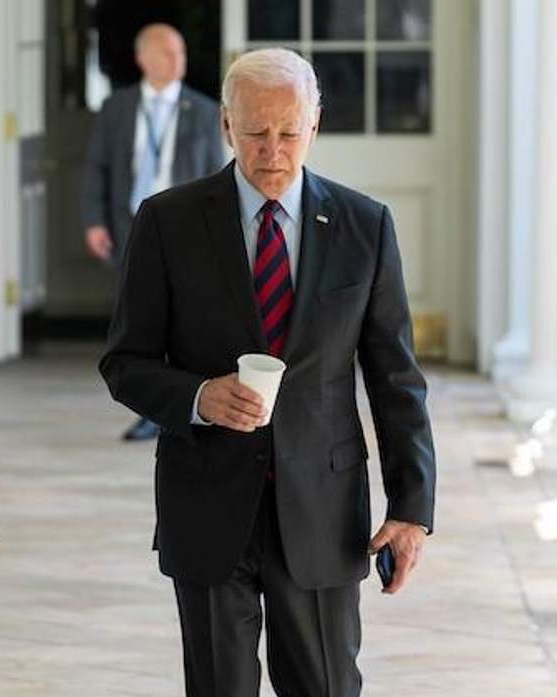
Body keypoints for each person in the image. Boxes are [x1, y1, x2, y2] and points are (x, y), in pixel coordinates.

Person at [99, 48, 436, 697]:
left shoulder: (364, 226)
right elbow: (124, 362)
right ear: (227, 125)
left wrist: (411, 506)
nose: (272, 150)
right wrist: (198, 395)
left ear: (313, 127)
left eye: (288, 132)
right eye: (255, 132)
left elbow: (395, 377)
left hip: (322, 509)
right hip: (206, 504)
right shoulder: (167, 222)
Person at [80, 22, 226, 441]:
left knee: (185, 319)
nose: (177, 61)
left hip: (187, 229)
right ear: (143, 58)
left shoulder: (202, 110)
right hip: (132, 226)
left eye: (180, 53)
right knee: (142, 321)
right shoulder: (117, 108)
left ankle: (179, 405)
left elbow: (217, 175)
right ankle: (150, 407)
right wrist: (94, 220)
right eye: (167, 53)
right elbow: (97, 167)